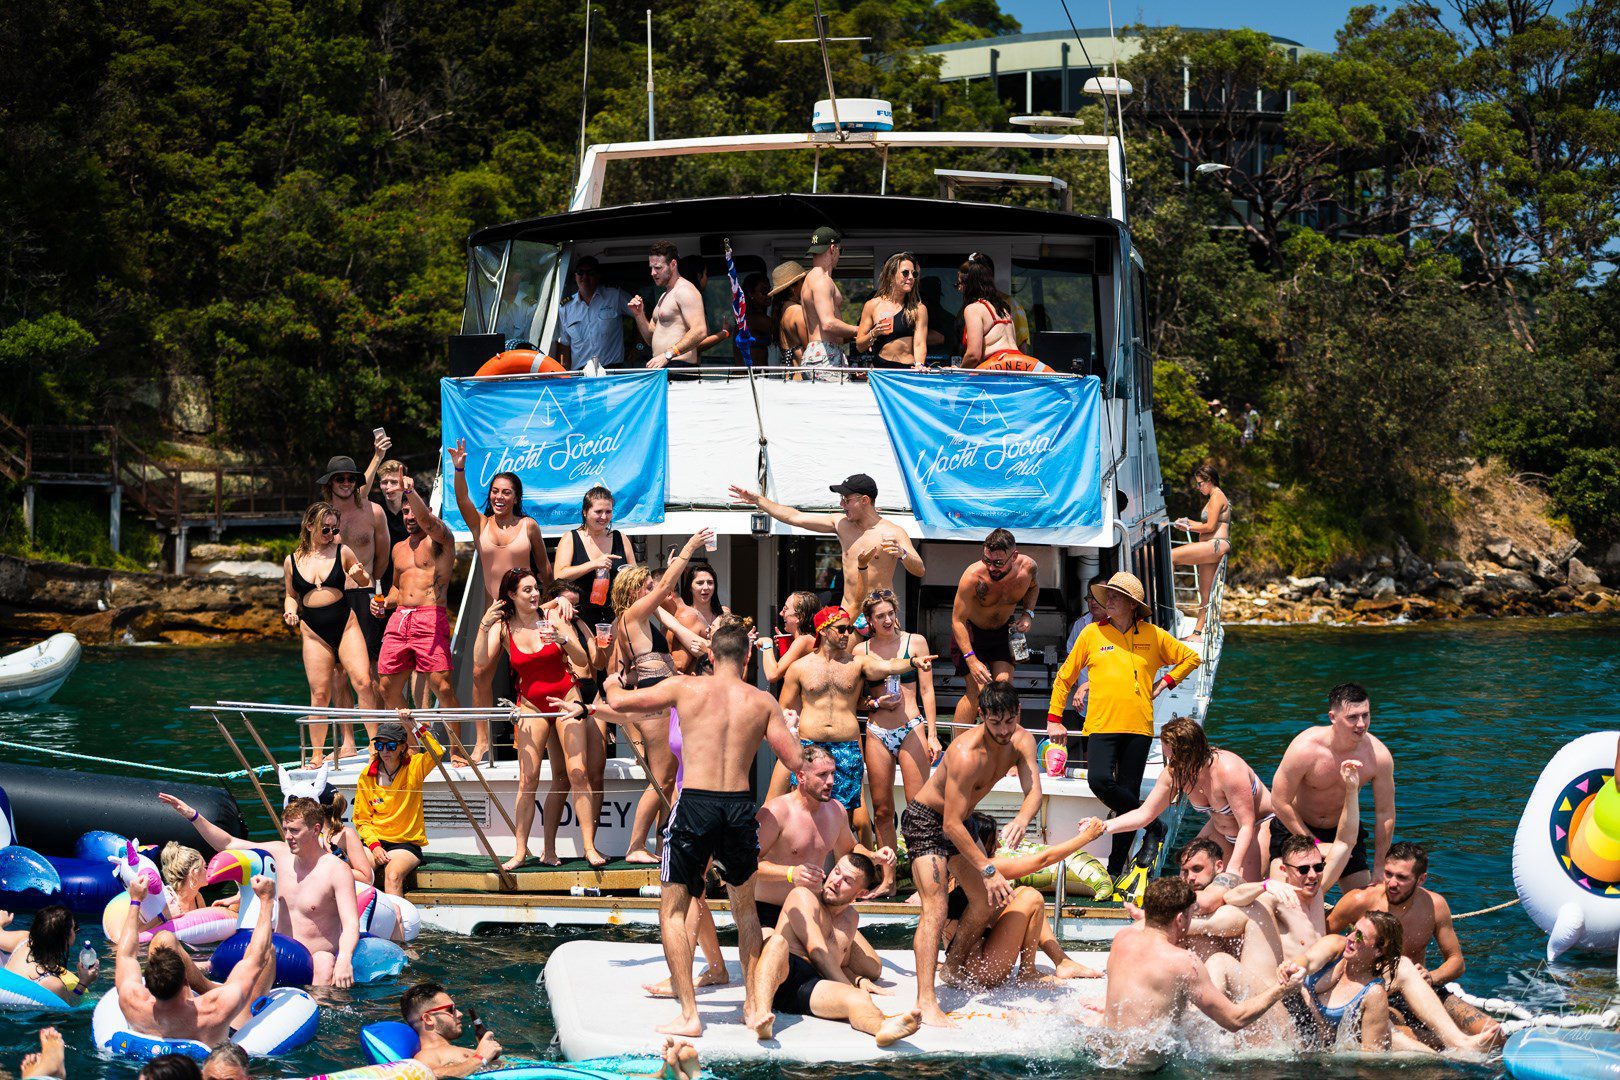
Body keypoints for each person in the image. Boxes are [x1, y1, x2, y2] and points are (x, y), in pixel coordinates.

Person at [600, 620, 806, 1038]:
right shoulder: (762, 701)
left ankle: (690, 1015)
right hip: (738, 808)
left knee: (673, 910)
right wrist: (790, 728)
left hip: (695, 804)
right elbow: (796, 760)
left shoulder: (685, 687)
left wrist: (611, 681)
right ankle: (753, 1006)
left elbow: (621, 703)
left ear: (711, 655)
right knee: (744, 910)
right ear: (746, 660)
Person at [902, 682, 1042, 1027]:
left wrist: (1022, 819)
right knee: (936, 907)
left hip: (961, 822)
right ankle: (926, 1001)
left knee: (985, 902)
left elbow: (1034, 791)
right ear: (981, 716)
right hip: (927, 820)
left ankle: (952, 967)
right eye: (995, 723)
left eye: (1009, 721)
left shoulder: (1022, 740)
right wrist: (987, 869)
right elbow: (949, 825)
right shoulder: (966, 754)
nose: (1004, 731)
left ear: (1018, 713)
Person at [1046, 572, 1200, 877]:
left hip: (1138, 727)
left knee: (1125, 796)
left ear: (1132, 604)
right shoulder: (1091, 634)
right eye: (1108, 595)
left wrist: (1164, 683)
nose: (1108, 600)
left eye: (1116, 596)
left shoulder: (1153, 635)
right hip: (1101, 724)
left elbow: (1191, 658)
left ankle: (1115, 869)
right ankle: (1153, 823)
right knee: (1099, 780)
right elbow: (1064, 676)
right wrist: (1054, 718)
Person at [160, 792, 359, 986]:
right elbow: (228, 843)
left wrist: (344, 958)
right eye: (285, 829)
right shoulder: (279, 853)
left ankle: (321, 1003)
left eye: (294, 831)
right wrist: (193, 816)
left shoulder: (336, 870)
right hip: (279, 955)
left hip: (313, 961)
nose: (288, 836)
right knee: (208, 965)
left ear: (315, 830)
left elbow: (351, 923)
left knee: (324, 962)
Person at [1100, 877, 1303, 1068]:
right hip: (1147, 1069)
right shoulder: (1184, 962)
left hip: (1108, 1056)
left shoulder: (1122, 938)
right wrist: (1281, 989)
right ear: (1180, 919)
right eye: (1192, 914)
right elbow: (1234, 1020)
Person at [607, 533, 714, 866]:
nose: (654, 591)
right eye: (647, 587)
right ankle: (636, 846)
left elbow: (626, 670)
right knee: (661, 779)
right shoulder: (634, 614)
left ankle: (659, 839)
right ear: (635, 590)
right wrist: (690, 547)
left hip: (658, 697)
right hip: (656, 701)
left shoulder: (633, 619)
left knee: (666, 779)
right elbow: (667, 584)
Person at [474, 569, 588, 869]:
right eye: (527, 590)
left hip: (566, 698)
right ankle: (520, 851)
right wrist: (484, 626)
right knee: (528, 780)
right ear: (512, 595)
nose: (535, 594)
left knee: (576, 773)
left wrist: (563, 639)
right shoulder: (503, 627)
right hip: (531, 704)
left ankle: (586, 848)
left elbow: (583, 660)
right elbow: (480, 663)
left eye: (536, 588)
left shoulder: (553, 616)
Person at [747, 853, 921, 1046]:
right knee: (776, 942)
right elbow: (817, 953)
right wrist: (849, 987)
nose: (836, 881)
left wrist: (858, 981)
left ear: (861, 893)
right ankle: (762, 1014)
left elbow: (841, 964)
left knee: (856, 1000)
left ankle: (881, 1028)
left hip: (812, 985)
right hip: (781, 975)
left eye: (847, 881)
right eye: (836, 871)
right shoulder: (803, 895)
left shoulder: (851, 919)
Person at [773, 606, 935, 813]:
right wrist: (790, 738)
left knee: (843, 814)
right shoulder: (800, 667)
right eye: (841, 629)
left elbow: (888, 666)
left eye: (849, 629)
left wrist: (913, 662)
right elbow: (783, 708)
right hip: (810, 747)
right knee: (804, 810)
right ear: (823, 630)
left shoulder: (857, 663)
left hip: (846, 748)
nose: (847, 635)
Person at [1328, 841, 1497, 1039]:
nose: (1392, 883)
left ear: (1421, 879)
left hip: (1422, 989)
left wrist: (1432, 976)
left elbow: (1456, 962)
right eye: (1388, 874)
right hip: (1378, 994)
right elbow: (1323, 939)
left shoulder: (1435, 906)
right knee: (1432, 1043)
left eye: (1402, 877)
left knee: (1492, 1033)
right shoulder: (1360, 900)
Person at [448, 440, 549, 761]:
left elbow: (545, 570)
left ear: (516, 497)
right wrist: (459, 469)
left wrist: (551, 604)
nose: (499, 497)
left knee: (535, 672)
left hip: (527, 612)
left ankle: (545, 739)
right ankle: (482, 742)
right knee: (480, 674)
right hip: (496, 611)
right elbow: (461, 499)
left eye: (506, 492)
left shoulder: (529, 526)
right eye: (495, 491)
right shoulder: (481, 524)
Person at [940, 813, 1107, 987]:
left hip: (969, 967)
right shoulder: (985, 868)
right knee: (1031, 897)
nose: (999, 845)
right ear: (978, 843)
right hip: (983, 972)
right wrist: (1087, 837)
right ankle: (1028, 973)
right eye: (993, 841)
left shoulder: (953, 867)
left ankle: (1063, 962)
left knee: (1018, 895)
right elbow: (1044, 859)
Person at [1102, 717, 1275, 881]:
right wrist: (1104, 826)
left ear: (1191, 753)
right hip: (1221, 830)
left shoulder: (1228, 770)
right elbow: (1144, 814)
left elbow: (1246, 824)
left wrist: (1233, 868)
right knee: (1188, 871)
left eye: (1175, 758)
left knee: (1236, 888)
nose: (1171, 764)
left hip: (1257, 826)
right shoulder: (1175, 773)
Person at [115, 873, 278, 1046]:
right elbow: (258, 957)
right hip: (218, 1033)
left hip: (157, 1034)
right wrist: (266, 900)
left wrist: (135, 900)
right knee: (268, 953)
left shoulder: (131, 1000)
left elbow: (126, 955)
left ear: (147, 985)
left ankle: (208, 986)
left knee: (163, 938)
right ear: (185, 981)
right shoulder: (214, 1009)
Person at [728, 473, 924, 616]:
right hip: (848, 613)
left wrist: (903, 554)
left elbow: (919, 570)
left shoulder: (893, 531)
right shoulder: (841, 524)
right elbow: (795, 517)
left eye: (846, 500)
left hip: (880, 613)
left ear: (865, 500)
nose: (841, 505)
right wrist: (758, 500)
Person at [1270, 682, 1396, 891]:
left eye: (1365, 715)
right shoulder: (1305, 748)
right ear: (1332, 717)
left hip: (1345, 830)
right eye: (1352, 717)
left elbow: (1385, 814)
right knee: (1283, 897)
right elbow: (1279, 801)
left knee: (1364, 901)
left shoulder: (1378, 756)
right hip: (1296, 827)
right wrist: (1315, 844)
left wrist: (1380, 866)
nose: (1361, 724)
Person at [852, 588, 939, 894]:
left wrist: (932, 734)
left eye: (891, 613)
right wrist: (875, 703)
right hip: (878, 730)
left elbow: (927, 690)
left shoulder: (915, 642)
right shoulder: (861, 651)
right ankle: (888, 879)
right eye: (881, 616)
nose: (888, 620)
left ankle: (922, 880)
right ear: (870, 621)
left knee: (918, 811)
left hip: (911, 726)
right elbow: (856, 700)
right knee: (882, 811)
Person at [283, 502, 380, 766]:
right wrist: (290, 611)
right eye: (325, 529)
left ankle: (375, 745)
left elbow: (366, 582)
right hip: (314, 632)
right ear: (309, 526)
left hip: (345, 624)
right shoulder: (292, 561)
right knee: (319, 695)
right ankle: (316, 754)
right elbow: (291, 595)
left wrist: (360, 575)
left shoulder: (342, 551)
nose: (331, 534)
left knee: (363, 682)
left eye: (334, 529)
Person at [372, 475, 462, 717]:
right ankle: (415, 737)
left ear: (427, 510)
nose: (410, 517)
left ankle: (456, 742)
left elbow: (428, 523)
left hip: (430, 616)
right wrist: (383, 603)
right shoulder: (398, 548)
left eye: (414, 511)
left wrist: (410, 492)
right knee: (386, 687)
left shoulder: (441, 540)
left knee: (442, 687)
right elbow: (396, 588)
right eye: (405, 512)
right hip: (400, 619)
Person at [950, 529, 1039, 743]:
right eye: (987, 560)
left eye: (998, 563)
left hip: (1002, 632)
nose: (991, 567)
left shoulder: (1028, 568)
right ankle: (957, 748)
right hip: (971, 633)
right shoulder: (973, 576)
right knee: (978, 691)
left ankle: (1007, 749)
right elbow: (957, 621)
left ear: (1014, 556)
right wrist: (971, 659)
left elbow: (1033, 588)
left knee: (1005, 689)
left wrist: (1028, 613)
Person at [318, 441, 392, 686]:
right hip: (331, 596)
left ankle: (378, 715)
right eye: (340, 478)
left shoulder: (374, 512)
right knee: (337, 672)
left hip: (364, 595)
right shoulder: (320, 517)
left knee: (371, 669)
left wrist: (372, 588)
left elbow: (383, 557)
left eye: (351, 478)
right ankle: (344, 716)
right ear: (330, 483)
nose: (346, 483)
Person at [1279, 911, 1404, 1050]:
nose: (1350, 937)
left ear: (1379, 951)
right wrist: (1293, 968)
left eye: (1359, 936)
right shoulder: (1336, 946)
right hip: (1287, 1036)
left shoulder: (1373, 994)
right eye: (1352, 930)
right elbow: (1307, 960)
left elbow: (1372, 1054)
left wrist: (1322, 1027)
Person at [355, 716, 445, 895]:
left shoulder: (415, 767)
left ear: (403, 747)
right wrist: (374, 845)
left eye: (390, 746)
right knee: (358, 873)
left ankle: (396, 914)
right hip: (374, 842)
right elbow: (361, 819)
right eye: (379, 746)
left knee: (393, 876)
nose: (384, 751)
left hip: (405, 844)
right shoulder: (367, 775)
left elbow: (437, 751)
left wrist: (414, 725)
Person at [552, 485, 636, 651]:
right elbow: (559, 576)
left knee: (614, 664)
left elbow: (636, 578)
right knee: (587, 664)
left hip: (616, 617)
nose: (604, 517)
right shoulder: (571, 538)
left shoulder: (620, 538)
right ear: (585, 512)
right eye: (598, 512)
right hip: (579, 617)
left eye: (608, 512)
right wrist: (593, 564)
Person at [628, 240, 707, 377]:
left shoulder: (685, 290)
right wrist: (639, 314)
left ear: (673, 264)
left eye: (658, 268)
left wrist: (668, 354)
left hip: (679, 367)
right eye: (651, 268)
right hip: (661, 366)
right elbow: (650, 339)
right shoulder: (664, 296)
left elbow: (700, 331)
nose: (653, 273)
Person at [1171, 465, 1231, 641]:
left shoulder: (1216, 497)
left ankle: (1166, 605)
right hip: (1213, 546)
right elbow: (1209, 524)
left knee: (1170, 556)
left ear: (1209, 481)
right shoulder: (1215, 496)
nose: (1198, 488)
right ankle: (1197, 633)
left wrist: (1188, 527)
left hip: (1214, 545)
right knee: (1205, 592)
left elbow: (1210, 527)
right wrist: (1188, 521)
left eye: (1199, 484)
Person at [400, 982, 503, 1078]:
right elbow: (431, 1075)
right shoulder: (427, 1055)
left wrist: (490, 1054)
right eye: (450, 1009)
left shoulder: (462, 1051)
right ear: (428, 1019)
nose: (459, 1014)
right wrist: (481, 1058)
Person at [1, 905, 97, 1005]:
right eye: (74, 928)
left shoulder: (22, 939)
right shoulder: (52, 984)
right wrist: (84, 982)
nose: (76, 931)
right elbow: (70, 1005)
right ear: (65, 939)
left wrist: (2, 921)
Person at [956, 260, 1041, 370]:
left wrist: (959, 371)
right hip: (1017, 364)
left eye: (958, 284)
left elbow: (973, 355)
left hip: (996, 366)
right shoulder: (1003, 308)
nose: (958, 289)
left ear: (968, 285)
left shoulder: (973, 309)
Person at [554, 255, 633, 369]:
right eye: (580, 272)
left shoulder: (615, 296)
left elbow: (640, 314)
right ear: (575, 276)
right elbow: (564, 345)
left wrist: (638, 346)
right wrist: (564, 374)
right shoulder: (565, 308)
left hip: (612, 371)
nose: (585, 277)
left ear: (598, 275)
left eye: (590, 273)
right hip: (580, 373)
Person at [799, 227, 858, 377]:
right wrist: (861, 330)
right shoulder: (822, 280)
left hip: (818, 353)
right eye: (840, 250)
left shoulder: (810, 279)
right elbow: (828, 323)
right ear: (833, 249)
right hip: (825, 354)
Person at [855, 252, 928, 369]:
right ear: (891, 275)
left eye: (914, 274)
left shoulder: (918, 309)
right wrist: (874, 333)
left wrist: (919, 364)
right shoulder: (872, 305)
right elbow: (860, 346)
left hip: (907, 370)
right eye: (905, 273)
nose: (911, 277)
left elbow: (920, 344)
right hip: (881, 371)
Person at [757, 590, 818, 685]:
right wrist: (787, 646)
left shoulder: (804, 640)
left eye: (785, 609)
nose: (781, 613)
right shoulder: (808, 638)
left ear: (799, 617)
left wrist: (767, 644)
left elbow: (772, 675)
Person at [770, 261, 809, 372]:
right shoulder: (797, 312)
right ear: (793, 288)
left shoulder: (782, 311)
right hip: (802, 378)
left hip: (791, 376)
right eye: (803, 281)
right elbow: (811, 350)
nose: (806, 285)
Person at [158, 843, 211, 915]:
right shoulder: (169, 899)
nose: (207, 870)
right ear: (193, 873)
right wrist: (164, 917)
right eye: (204, 867)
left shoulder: (197, 898)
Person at [679, 560, 727, 632]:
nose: (706, 587)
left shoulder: (724, 613)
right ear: (690, 587)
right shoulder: (683, 616)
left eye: (710, 582)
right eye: (700, 583)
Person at [739, 272, 774, 366]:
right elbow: (782, 327)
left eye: (770, 290)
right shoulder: (753, 319)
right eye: (764, 291)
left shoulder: (748, 316)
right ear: (751, 293)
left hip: (755, 373)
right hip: (746, 374)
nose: (769, 294)